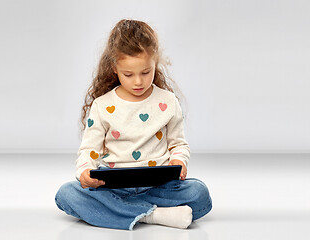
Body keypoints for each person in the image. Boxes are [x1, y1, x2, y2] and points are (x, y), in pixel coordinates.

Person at [55, 19, 212, 230]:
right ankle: (153, 215)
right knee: (67, 195)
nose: (138, 82)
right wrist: (85, 172)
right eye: (128, 74)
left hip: (158, 185)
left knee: (199, 194)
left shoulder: (168, 101)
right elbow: (89, 151)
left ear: (155, 63)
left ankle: (122, 212)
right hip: (113, 186)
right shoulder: (102, 106)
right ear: (114, 68)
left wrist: (178, 161)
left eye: (146, 72)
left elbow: (179, 145)